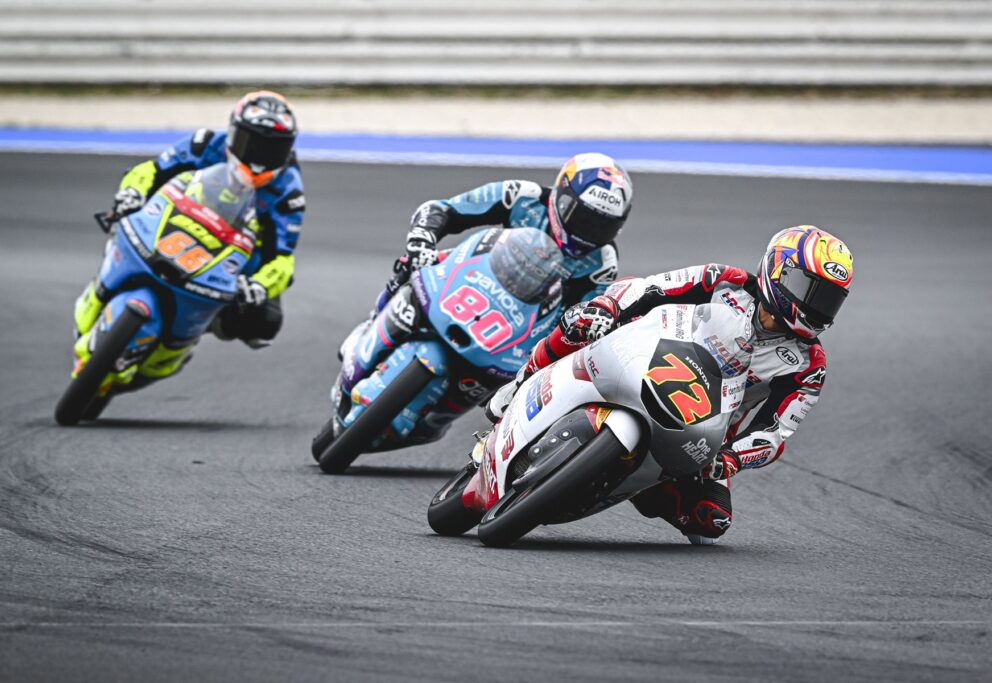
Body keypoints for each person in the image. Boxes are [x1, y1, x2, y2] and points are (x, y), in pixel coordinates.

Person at [486, 225, 854, 545]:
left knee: (711, 523)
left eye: (828, 300)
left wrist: (731, 459)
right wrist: (609, 308)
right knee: (583, 321)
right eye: (810, 290)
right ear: (778, 271)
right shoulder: (723, 280)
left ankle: (641, 482)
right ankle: (522, 381)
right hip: (644, 358)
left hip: (701, 430)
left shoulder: (809, 365)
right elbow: (651, 289)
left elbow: (773, 433)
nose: (817, 307)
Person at [339, 152, 633, 361]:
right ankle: (372, 324)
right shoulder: (521, 196)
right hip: (478, 276)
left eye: (602, 227)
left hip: (524, 326)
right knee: (416, 262)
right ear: (562, 196)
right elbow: (445, 209)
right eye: (583, 218)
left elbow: (581, 317)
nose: (588, 232)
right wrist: (423, 238)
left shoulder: (602, 263)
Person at [73, 90, 304, 350]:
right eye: (251, 143)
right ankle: (106, 283)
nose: (258, 160)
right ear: (232, 132)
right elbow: (151, 171)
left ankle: (197, 326)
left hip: (234, 254)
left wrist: (259, 285)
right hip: (174, 222)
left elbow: (283, 258)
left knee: (265, 322)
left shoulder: (289, 191)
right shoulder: (204, 144)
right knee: (125, 217)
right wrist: (131, 192)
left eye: (273, 150)